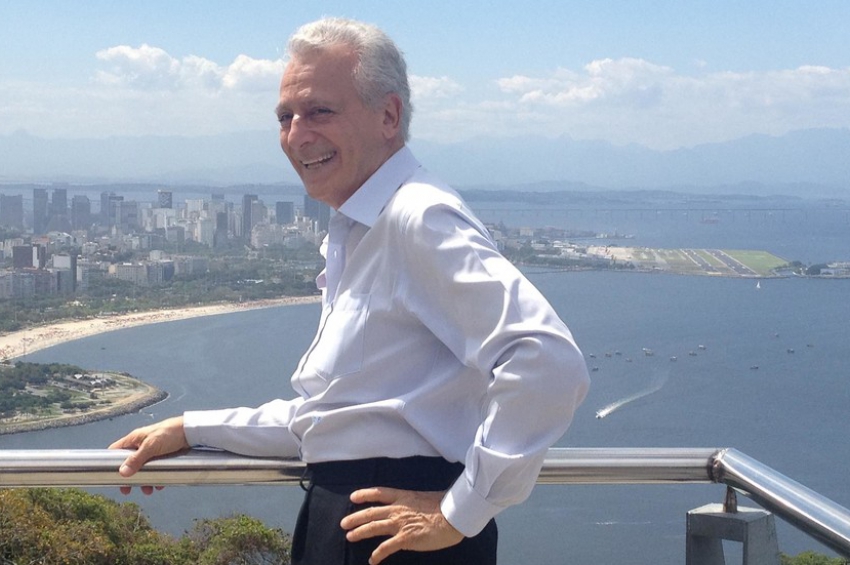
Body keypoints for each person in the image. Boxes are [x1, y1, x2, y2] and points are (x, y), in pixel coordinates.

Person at [109, 17, 590, 565]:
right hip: (359, 523)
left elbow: (547, 360)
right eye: (285, 117)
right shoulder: (364, 228)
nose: (296, 135)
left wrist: (459, 512)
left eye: (320, 111)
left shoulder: (417, 217)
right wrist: (190, 428)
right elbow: (337, 420)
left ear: (388, 116)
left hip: (394, 539)